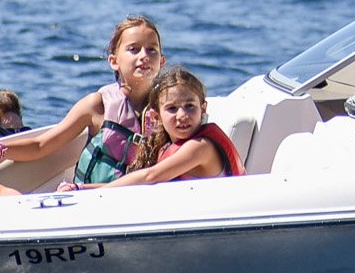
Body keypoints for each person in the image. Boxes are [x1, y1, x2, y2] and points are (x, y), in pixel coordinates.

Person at [0, 16, 163, 185]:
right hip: (95, 198)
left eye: (152, 49)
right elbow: (40, 145)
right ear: (113, 61)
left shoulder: (170, 109)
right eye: (134, 49)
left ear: (161, 62)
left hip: (145, 199)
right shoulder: (97, 105)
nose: (144, 56)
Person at [65, 68, 240, 188]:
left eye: (190, 106)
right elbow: (138, 183)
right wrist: (82, 189)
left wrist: (91, 195)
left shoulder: (200, 147)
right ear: (156, 117)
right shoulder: (166, 147)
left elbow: (149, 177)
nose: (182, 115)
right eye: (172, 108)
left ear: (203, 110)